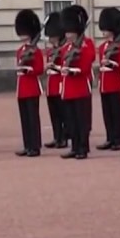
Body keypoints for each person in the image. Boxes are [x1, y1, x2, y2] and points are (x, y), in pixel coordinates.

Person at [58, 5, 95, 160]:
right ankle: (74, 146)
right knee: (71, 121)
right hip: (68, 88)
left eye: (70, 32)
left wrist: (74, 70)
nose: (68, 35)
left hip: (80, 87)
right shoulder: (66, 48)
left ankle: (83, 148)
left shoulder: (87, 44)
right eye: (66, 32)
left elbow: (87, 63)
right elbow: (61, 62)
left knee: (82, 120)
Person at [14, 9, 45, 157]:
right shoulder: (20, 50)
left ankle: (35, 146)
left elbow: (39, 69)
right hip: (21, 88)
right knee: (24, 119)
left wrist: (28, 70)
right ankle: (27, 145)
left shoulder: (36, 51)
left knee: (33, 118)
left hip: (32, 87)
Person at [95, 7, 120, 152]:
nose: (104, 31)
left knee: (117, 113)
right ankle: (110, 137)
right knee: (107, 113)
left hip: (116, 83)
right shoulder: (102, 47)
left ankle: (118, 139)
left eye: (106, 28)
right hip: (105, 84)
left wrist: (114, 64)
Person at [42, 13, 68, 150]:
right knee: (54, 115)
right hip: (51, 84)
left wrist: (56, 67)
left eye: (52, 37)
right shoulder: (51, 51)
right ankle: (56, 136)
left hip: (60, 84)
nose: (51, 39)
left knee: (62, 113)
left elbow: (65, 66)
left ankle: (63, 137)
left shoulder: (64, 50)